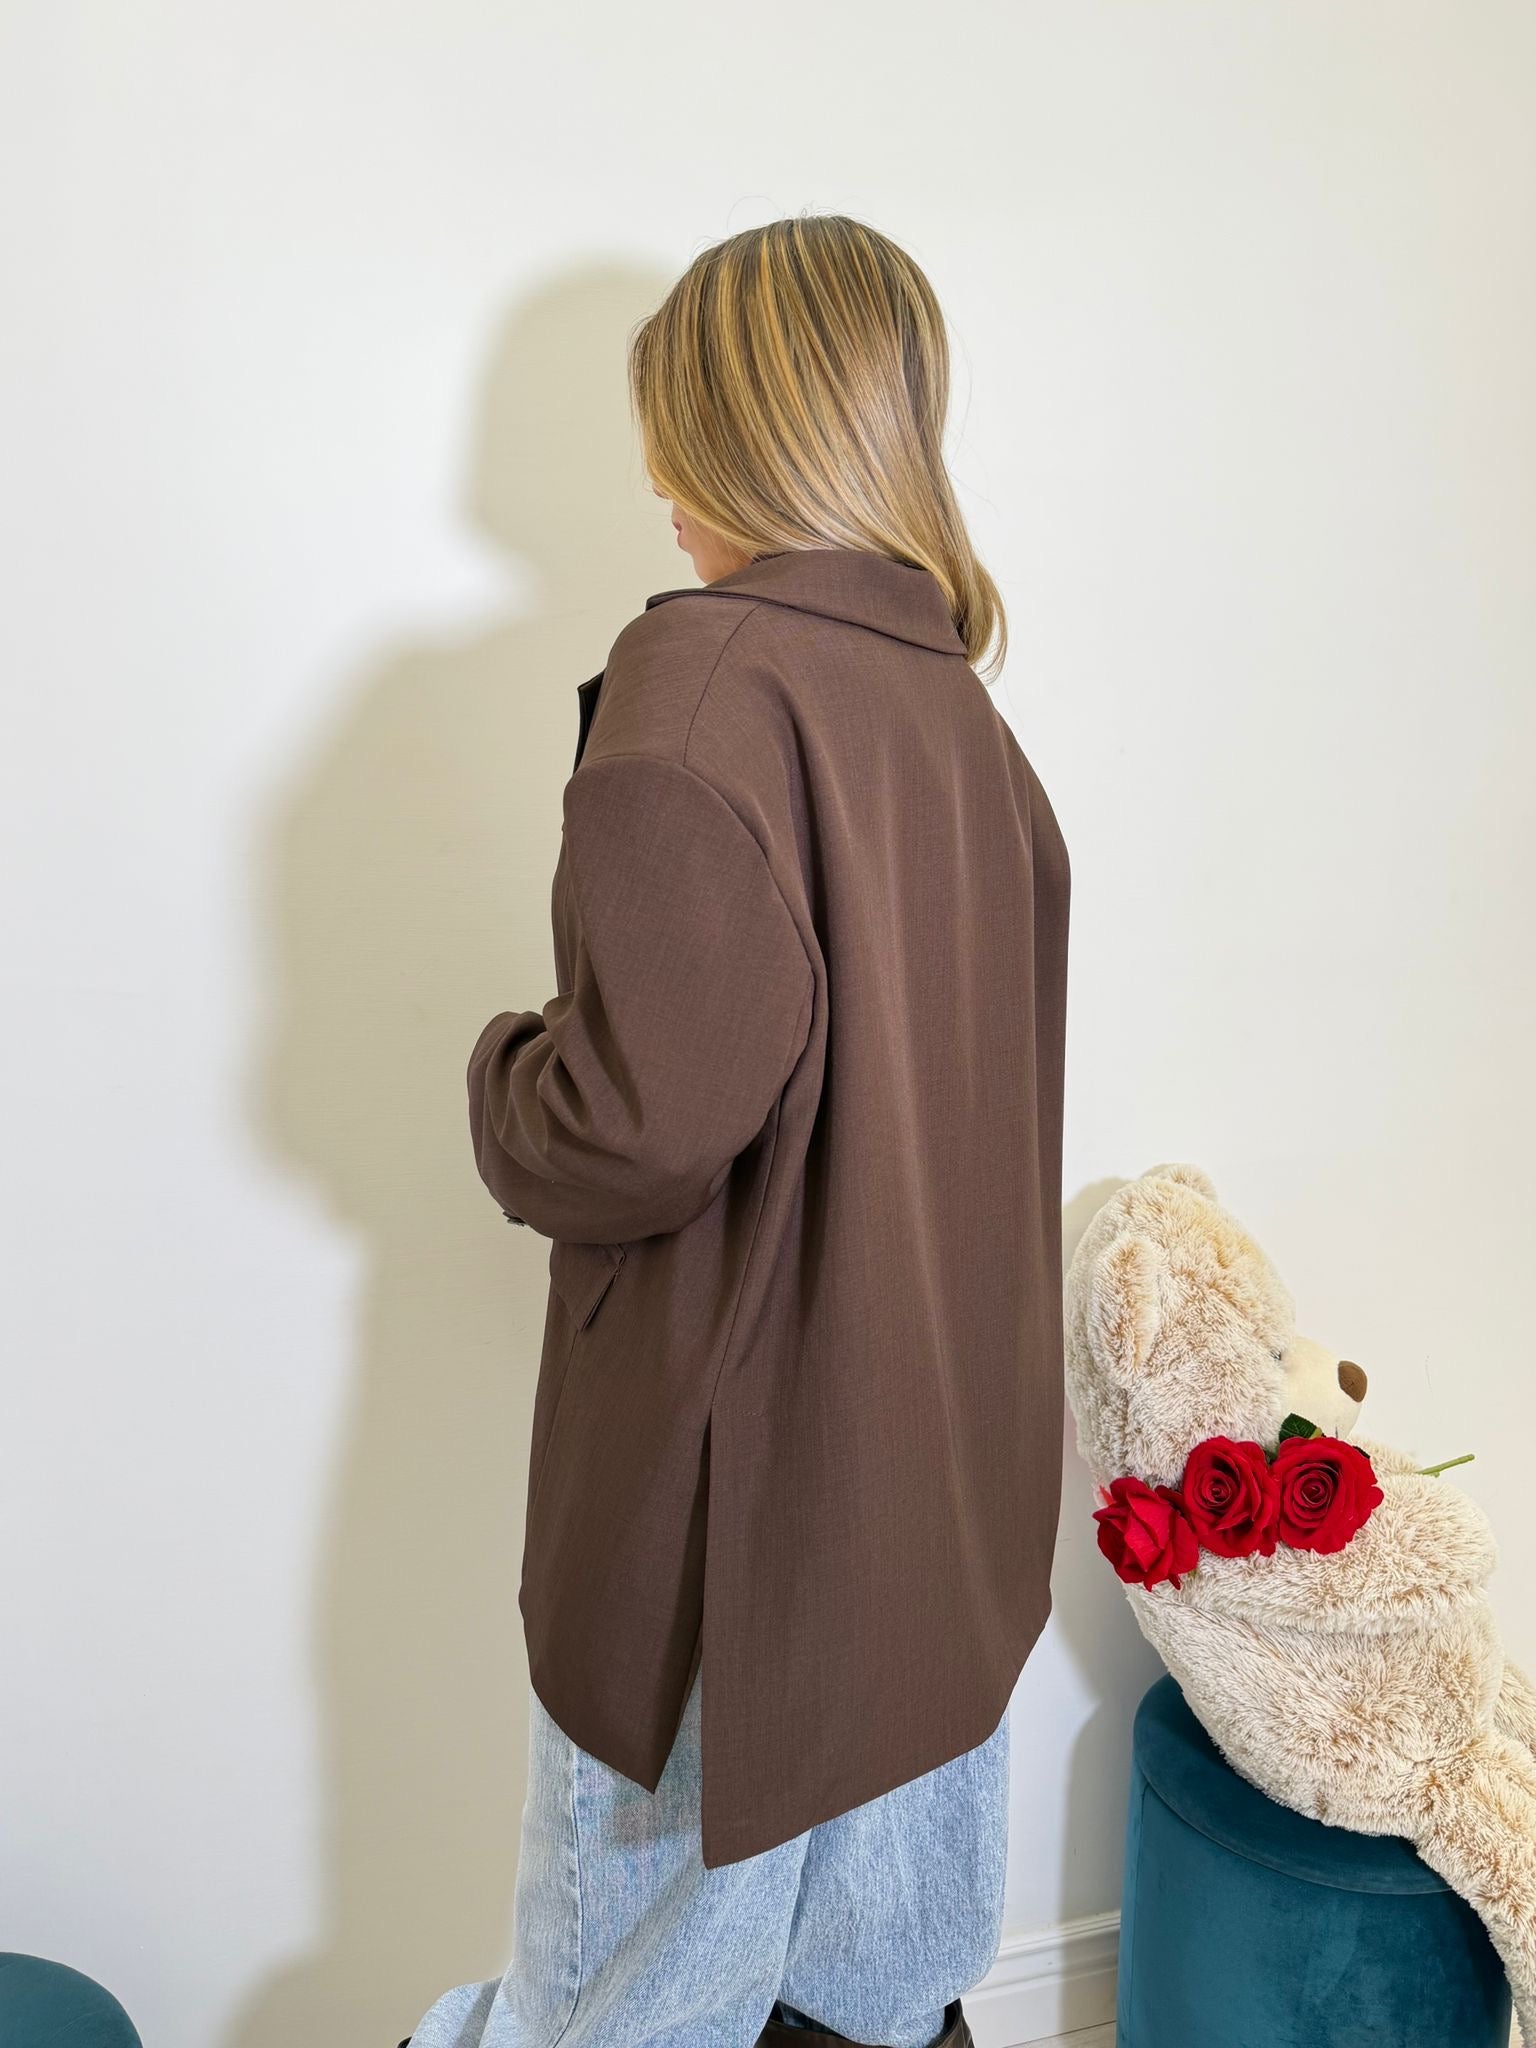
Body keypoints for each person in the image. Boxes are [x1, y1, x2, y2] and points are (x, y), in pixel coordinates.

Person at [405, 212, 1071, 2048]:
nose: (651, 485)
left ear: (734, 427)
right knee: (874, 2003)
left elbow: (631, 1126)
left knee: (627, 2010)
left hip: (736, 1535)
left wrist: (503, 1072)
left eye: (668, 429)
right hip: (936, 1509)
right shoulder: (962, 720)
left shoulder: (702, 683)